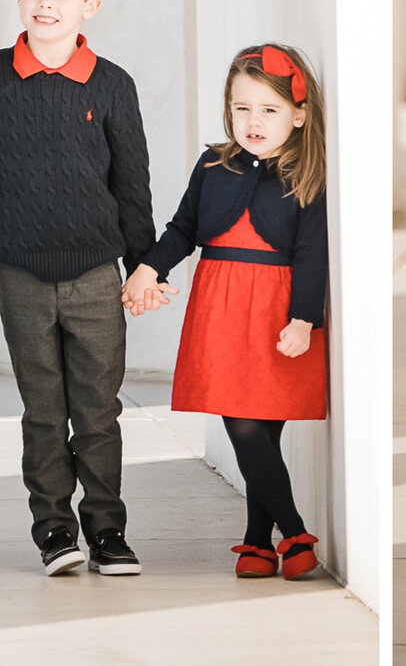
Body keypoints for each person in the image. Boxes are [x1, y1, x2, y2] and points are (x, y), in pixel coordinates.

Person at [0, 0, 155, 577]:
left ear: (90, 6)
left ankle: (108, 532)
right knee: (42, 409)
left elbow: (132, 184)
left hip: (96, 275)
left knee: (97, 412)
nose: (46, 4)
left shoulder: (113, 85)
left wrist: (144, 265)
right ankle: (55, 532)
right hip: (22, 274)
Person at [124, 45, 329, 581]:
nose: (254, 122)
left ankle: (261, 541)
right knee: (241, 424)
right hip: (219, 304)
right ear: (227, 109)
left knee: (263, 430)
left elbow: (313, 252)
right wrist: (150, 268)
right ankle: (294, 532)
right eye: (242, 108)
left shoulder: (308, 173)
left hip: (276, 312)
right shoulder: (215, 164)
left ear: (299, 114)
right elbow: (183, 229)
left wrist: (304, 319)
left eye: (269, 110)